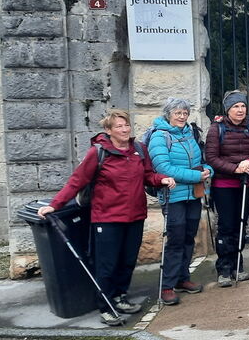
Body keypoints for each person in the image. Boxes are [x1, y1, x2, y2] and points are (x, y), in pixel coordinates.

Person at [37, 109, 175, 326]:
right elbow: (77, 181)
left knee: (127, 261)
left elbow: (148, 175)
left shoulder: (139, 149)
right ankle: (106, 306)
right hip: (107, 218)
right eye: (119, 126)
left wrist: (162, 179)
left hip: (135, 215)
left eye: (126, 125)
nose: (124, 129)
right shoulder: (98, 152)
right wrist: (55, 205)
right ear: (108, 130)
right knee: (107, 264)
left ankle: (120, 297)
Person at [147, 98, 214, 306]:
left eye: (185, 113)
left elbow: (200, 161)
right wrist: (196, 176)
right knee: (175, 241)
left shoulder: (190, 133)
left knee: (188, 238)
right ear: (168, 114)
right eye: (178, 113)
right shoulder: (159, 136)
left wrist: (207, 170)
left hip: (193, 195)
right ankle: (167, 286)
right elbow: (163, 168)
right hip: (173, 196)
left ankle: (182, 278)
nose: (182, 117)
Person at [205, 90, 249, 287]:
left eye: (243, 106)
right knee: (226, 226)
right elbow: (211, 157)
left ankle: (238, 264)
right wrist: (235, 168)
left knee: (241, 223)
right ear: (227, 109)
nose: (240, 110)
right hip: (224, 185)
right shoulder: (217, 129)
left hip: (246, 184)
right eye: (235, 106)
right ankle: (224, 267)